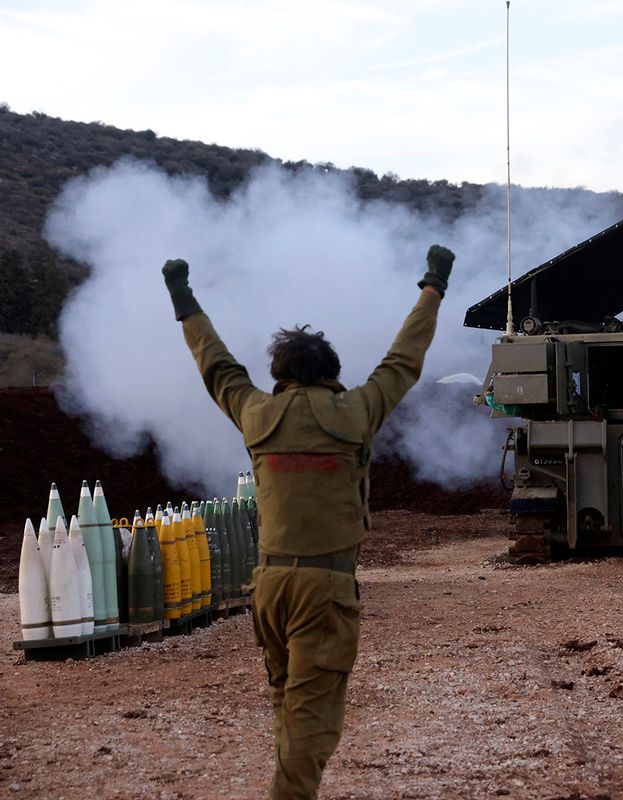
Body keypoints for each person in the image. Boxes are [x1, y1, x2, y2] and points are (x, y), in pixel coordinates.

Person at [162, 246, 454, 797]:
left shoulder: (255, 412)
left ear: (280, 374)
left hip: (269, 585)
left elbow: (215, 364)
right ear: (332, 372)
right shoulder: (357, 411)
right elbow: (404, 358)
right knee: (313, 721)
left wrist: (184, 298)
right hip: (325, 589)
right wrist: (433, 284)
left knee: (287, 705)